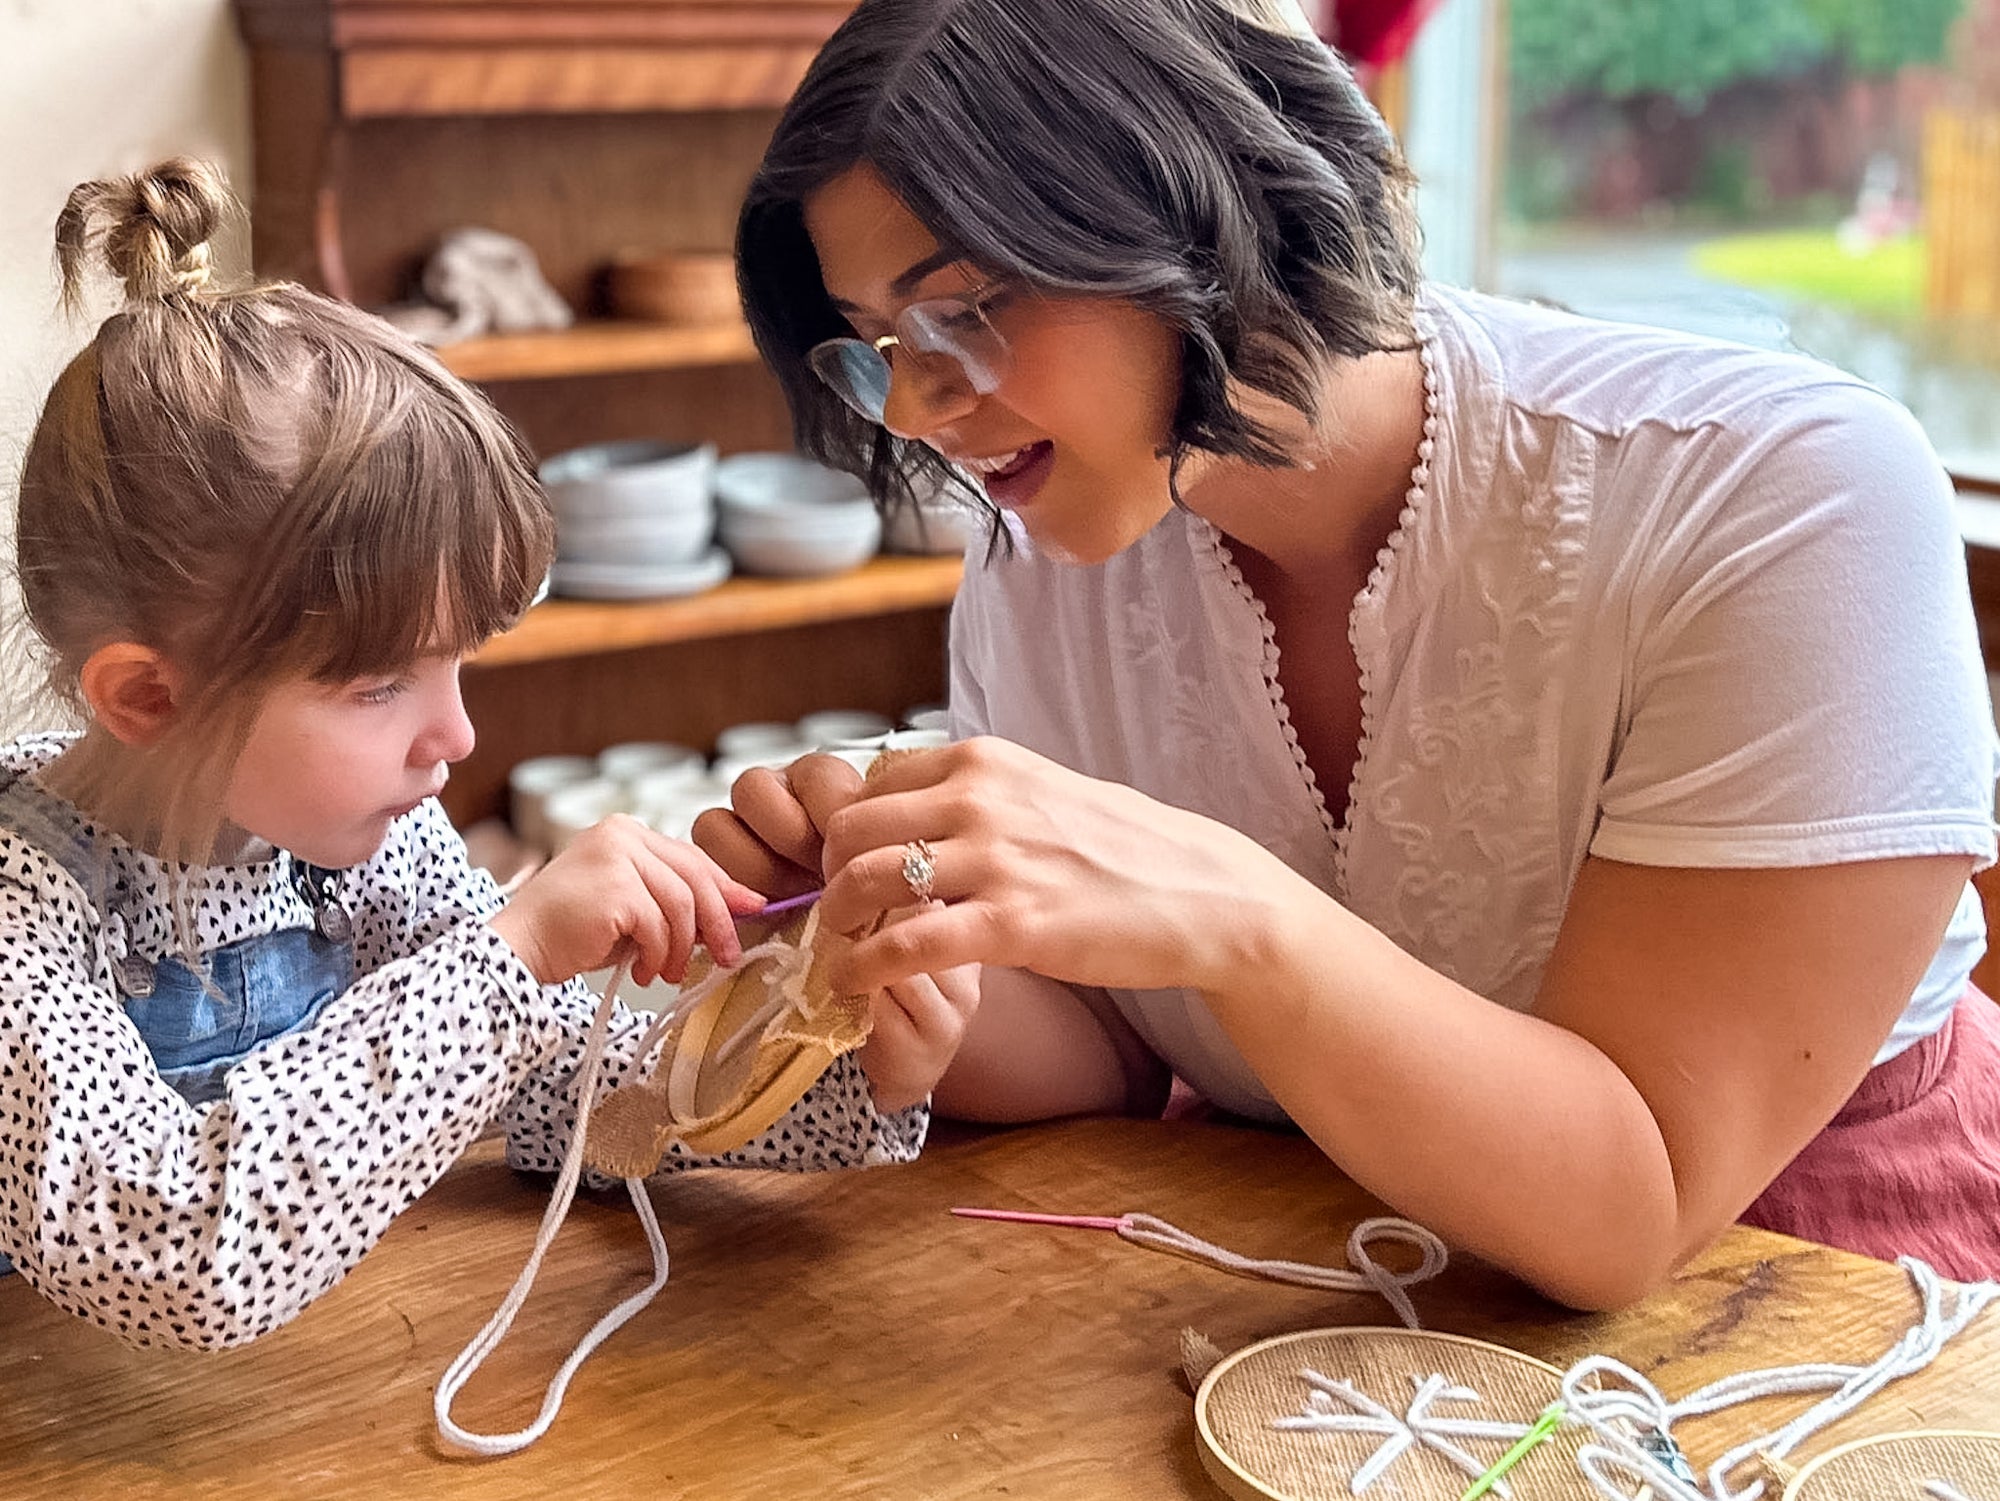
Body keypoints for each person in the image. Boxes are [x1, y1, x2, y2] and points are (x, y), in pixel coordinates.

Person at [701, 0, 2000, 1305]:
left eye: (965, 308)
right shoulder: (1045, 550)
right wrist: (906, 958)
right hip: (1282, 1262)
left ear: (1191, 197)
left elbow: (1634, 1204)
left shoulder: (1786, 498)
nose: (921, 412)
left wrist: (1228, 910)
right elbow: (1118, 1040)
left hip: (1799, 1292)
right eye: (879, 349)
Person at [0, 159, 947, 1352]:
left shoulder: (358, 846)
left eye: (461, 663)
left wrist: (828, 1057)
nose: (456, 738)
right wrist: (511, 959)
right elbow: (174, 1254)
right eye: (381, 684)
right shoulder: (22, 916)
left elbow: (558, 1106)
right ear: (149, 696)